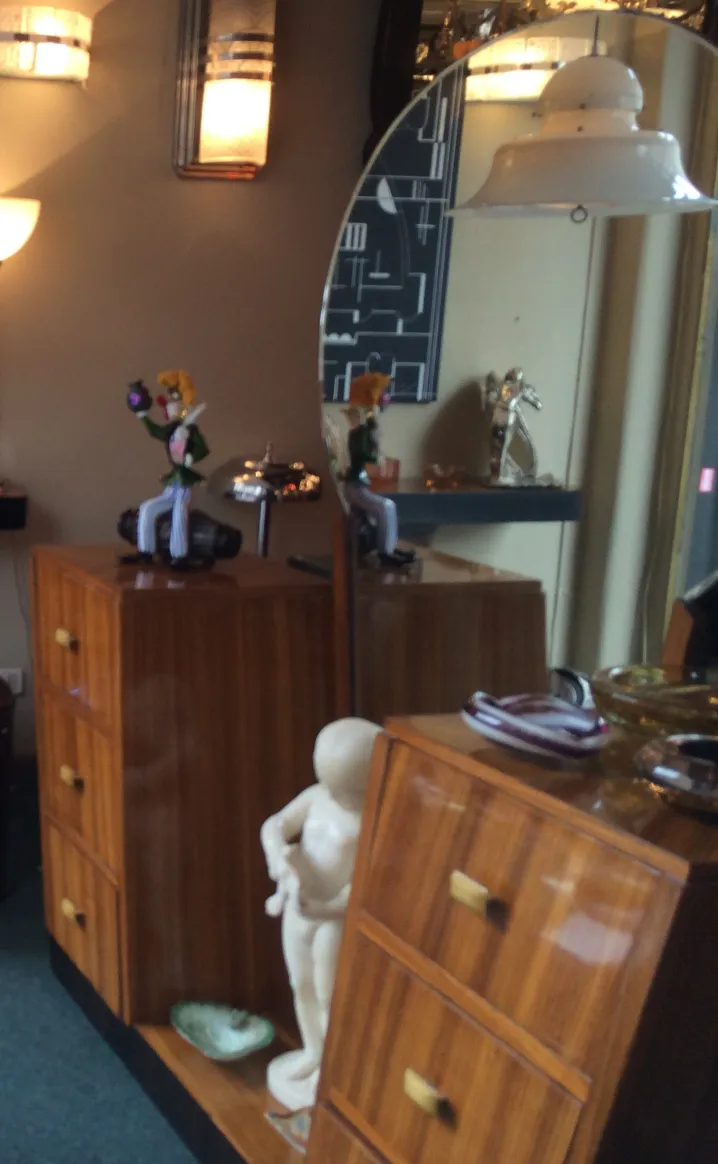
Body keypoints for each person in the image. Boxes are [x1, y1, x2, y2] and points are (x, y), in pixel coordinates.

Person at [261, 718, 381, 1112]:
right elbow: (276, 824)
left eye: (342, 789)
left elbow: (362, 889)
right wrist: (277, 856)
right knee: (301, 984)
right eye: (327, 782)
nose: (331, 793)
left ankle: (333, 1068)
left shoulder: (370, 823)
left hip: (333, 920)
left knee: (330, 994)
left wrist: (326, 908)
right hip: (298, 907)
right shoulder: (316, 798)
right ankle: (312, 1052)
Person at [124, 370, 209, 568]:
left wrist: (191, 457)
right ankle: (145, 551)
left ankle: (179, 555)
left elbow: (202, 449)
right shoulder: (171, 430)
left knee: (180, 512)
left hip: (185, 482)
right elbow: (155, 431)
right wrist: (142, 415)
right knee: (147, 508)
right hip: (172, 482)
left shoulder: (190, 431)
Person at [341, 371, 414, 568]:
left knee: (386, 508)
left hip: (358, 483)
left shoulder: (365, 430)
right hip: (355, 486)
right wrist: (375, 458)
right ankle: (385, 552)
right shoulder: (359, 433)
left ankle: (388, 548)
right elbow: (361, 454)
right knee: (386, 507)